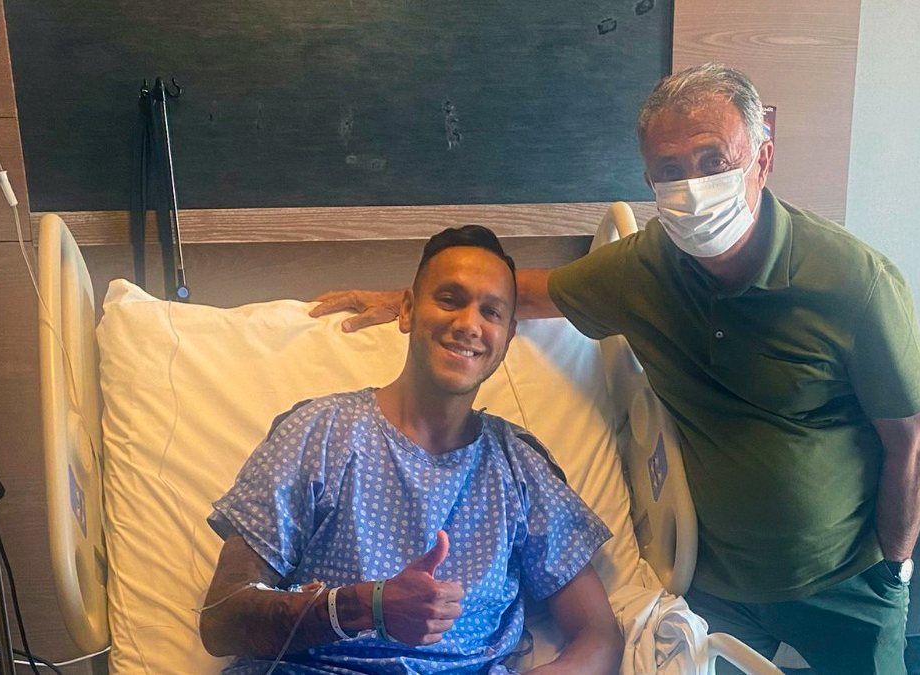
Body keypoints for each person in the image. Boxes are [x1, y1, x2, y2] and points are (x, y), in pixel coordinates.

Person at [310, 63, 920, 673]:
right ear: (648, 178)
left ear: (762, 158)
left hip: (844, 583)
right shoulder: (645, 268)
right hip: (715, 584)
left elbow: (914, 438)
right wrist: (418, 298)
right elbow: (526, 292)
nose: (693, 187)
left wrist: (895, 569)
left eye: (713, 161)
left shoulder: (854, 283)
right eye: (670, 170)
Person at [200, 225, 622, 674]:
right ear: (407, 310)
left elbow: (599, 636)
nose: (469, 325)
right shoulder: (319, 434)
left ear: (508, 336)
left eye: (492, 312)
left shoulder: (518, 467)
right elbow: (222, 620)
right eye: (450, 300)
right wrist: (362, 607)